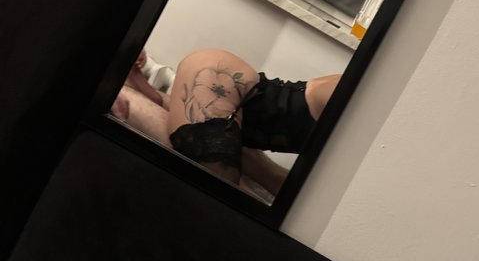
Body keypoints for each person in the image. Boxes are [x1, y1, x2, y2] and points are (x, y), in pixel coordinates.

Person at [111, 48, 340, 199]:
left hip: (225, 81)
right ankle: (136, 85)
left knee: (275, 185)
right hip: (216, 75)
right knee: (222, 194)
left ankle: (139, 85)